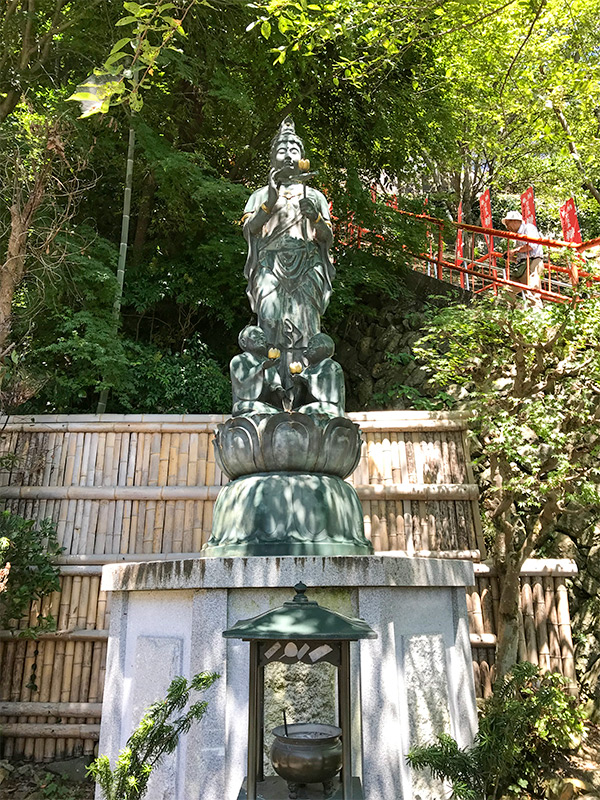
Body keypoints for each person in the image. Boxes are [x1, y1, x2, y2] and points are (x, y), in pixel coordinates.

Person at [242, 118, 335, 386]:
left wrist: (316, 218)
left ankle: (310, 386)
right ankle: (269, 386)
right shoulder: (260, 195)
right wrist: (270, 203)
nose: (288, 157)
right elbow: (249, 230)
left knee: (307, 324)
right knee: (270, 319)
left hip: (307, 264)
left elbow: (326, 237)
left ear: (303, 157)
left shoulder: (314, 196)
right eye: (282, 151)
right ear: (272, 157)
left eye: (294, 151)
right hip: (270, 265)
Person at [230, 326, 285, 416]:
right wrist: (261, 368)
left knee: (280, 413)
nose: (262, 339)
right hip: (244, 404)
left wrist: (278, 390)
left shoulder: (268, 362)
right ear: (244, 342)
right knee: (266, 411)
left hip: (265, 404)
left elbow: (274, 384)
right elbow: (243, 382)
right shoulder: (239, 360)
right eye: (256, 336)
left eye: (263, 337)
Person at [292, 333, 345, 419]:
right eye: (309, 345)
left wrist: (307, 380)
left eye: (315, 344)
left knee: (305, 410)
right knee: (297, 412)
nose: (310, 347)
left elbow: (328, 394)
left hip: (330, 406)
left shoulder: (331, 366)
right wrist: (299, 384)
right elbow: (300, 399)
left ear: (328, 350)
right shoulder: (306, 370)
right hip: (311, 407)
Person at [502, 210, 544, 304]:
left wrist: (515, 251)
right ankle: (508, 314)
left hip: (533, 262)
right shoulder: (519, 234)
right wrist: (511, 257)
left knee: (532, 291)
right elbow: (523, 253)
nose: (507, 228)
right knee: (508, 290)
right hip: (523, 264)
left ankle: (535, 315)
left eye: (508, 224)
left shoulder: (528, 228)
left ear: (515, 221)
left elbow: (532, 245)